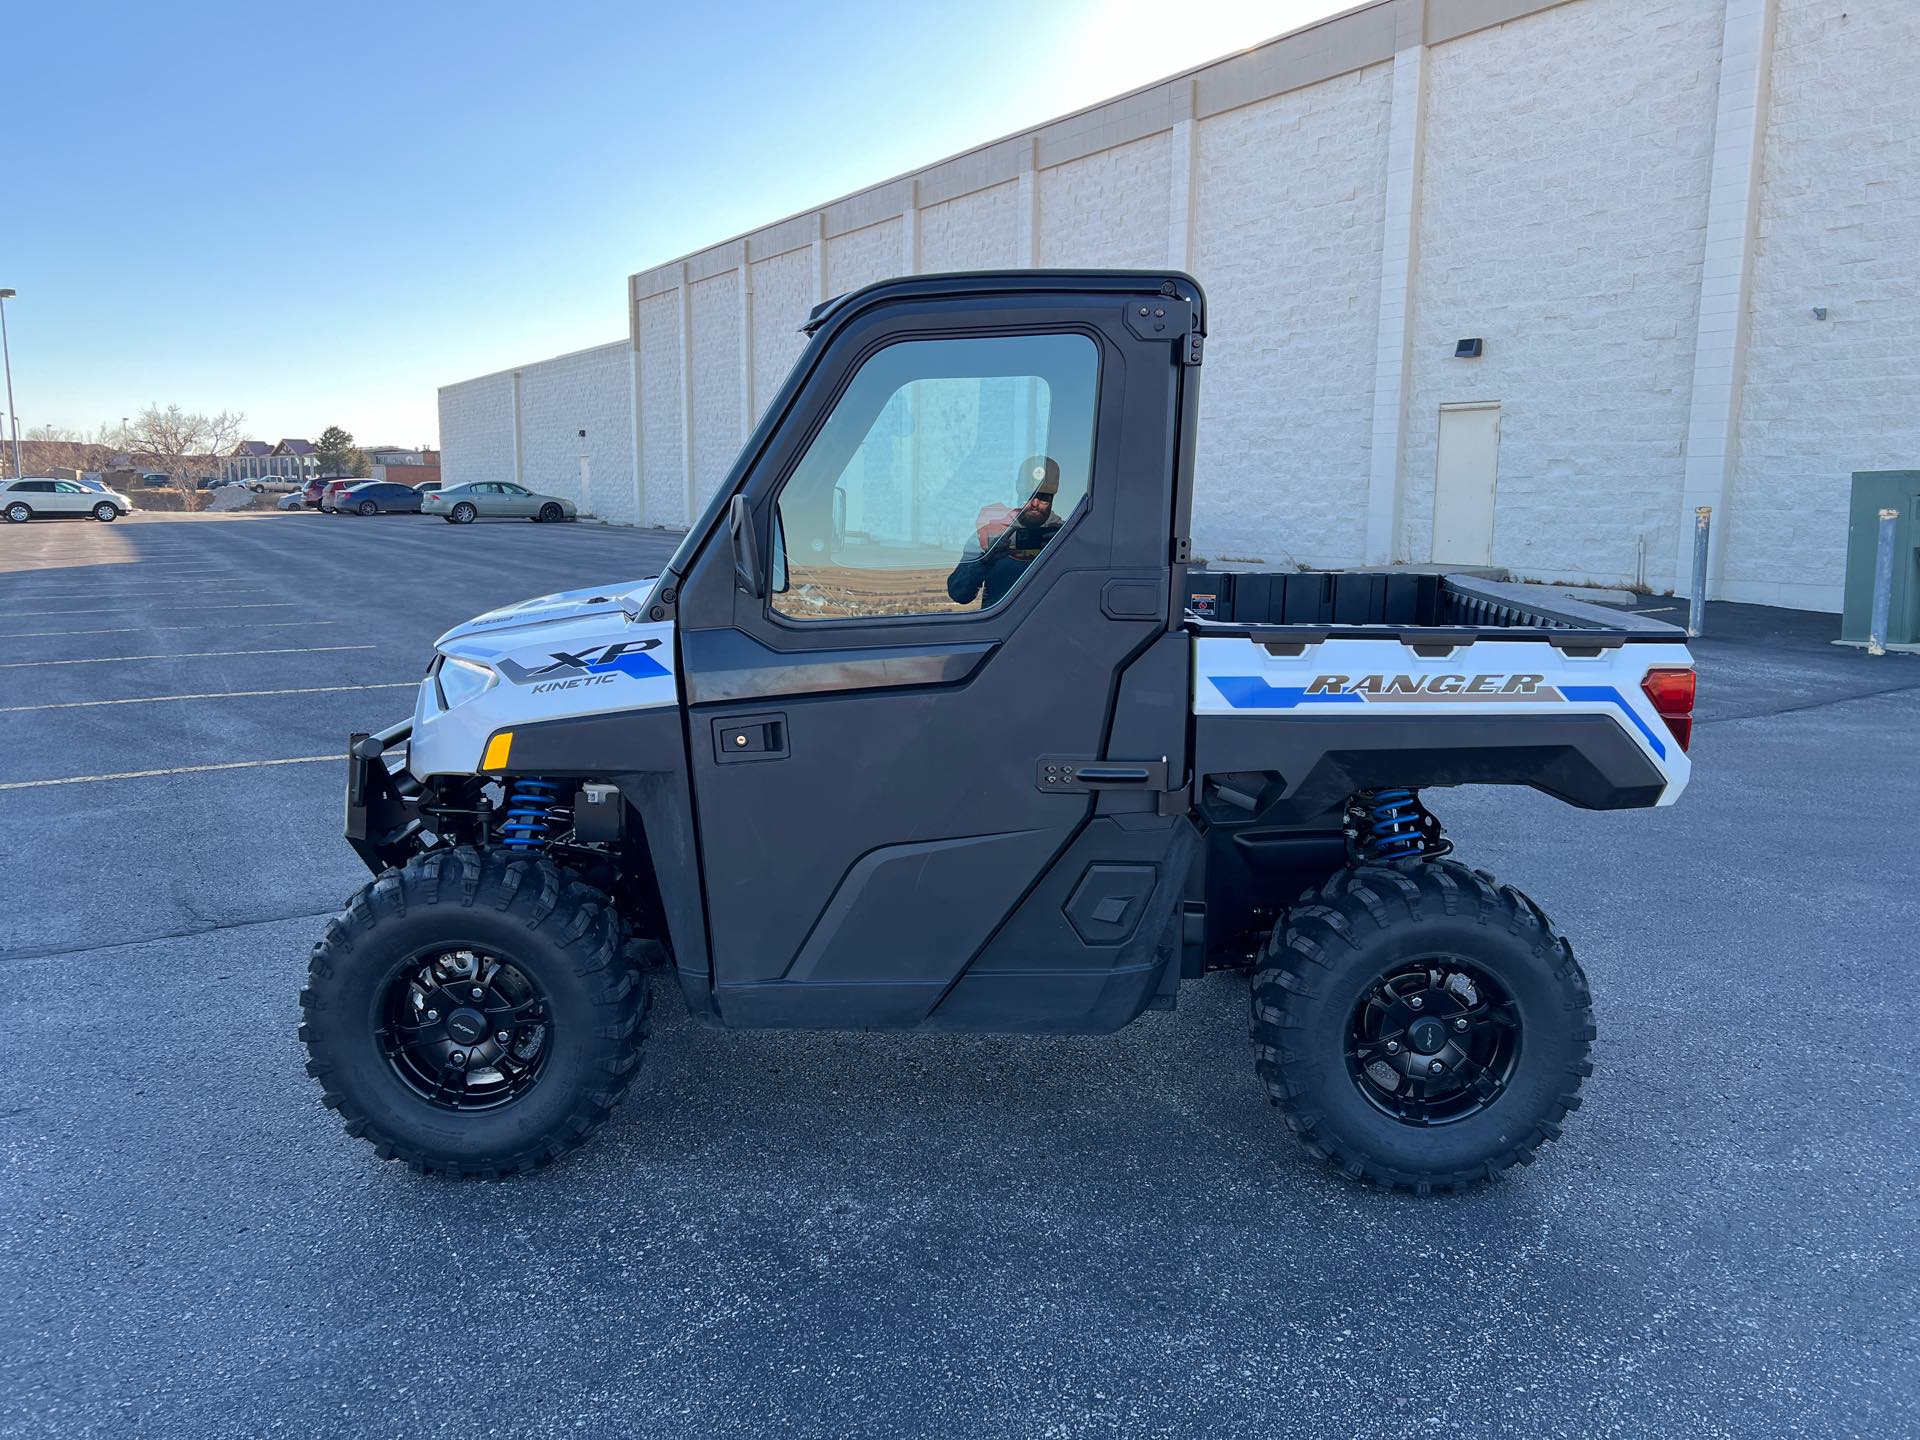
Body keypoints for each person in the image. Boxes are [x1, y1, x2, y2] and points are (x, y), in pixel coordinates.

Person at [946, 456, 1065, 609]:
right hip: (1002, 628)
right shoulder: (988, 535)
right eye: (1029, 495)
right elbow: (959, 593)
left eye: (1043, 497)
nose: (1034, 503)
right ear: (1018, 489)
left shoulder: (1066, 536)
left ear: (1053, 496)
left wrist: (1064, 552)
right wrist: (986, 561)